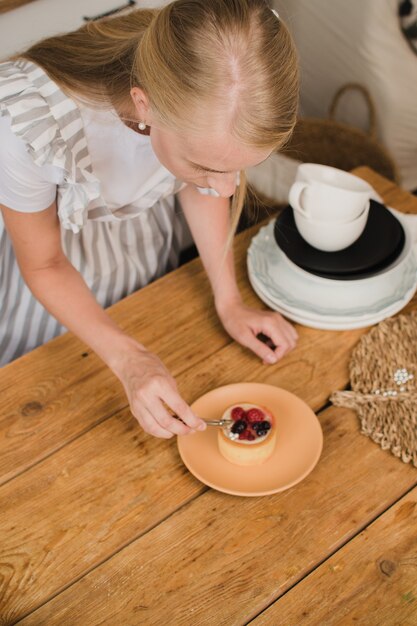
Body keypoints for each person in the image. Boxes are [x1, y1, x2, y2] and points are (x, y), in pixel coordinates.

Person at [0, 0, 299, 438]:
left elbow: (200, 188)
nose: (227, 189)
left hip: (135, 246)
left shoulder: (211, 83)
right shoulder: (24, 129)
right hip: (45, 267)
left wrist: (229, 301)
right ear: (144, 106)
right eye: (205, 166)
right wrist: (129, 360)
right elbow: (44, 264)